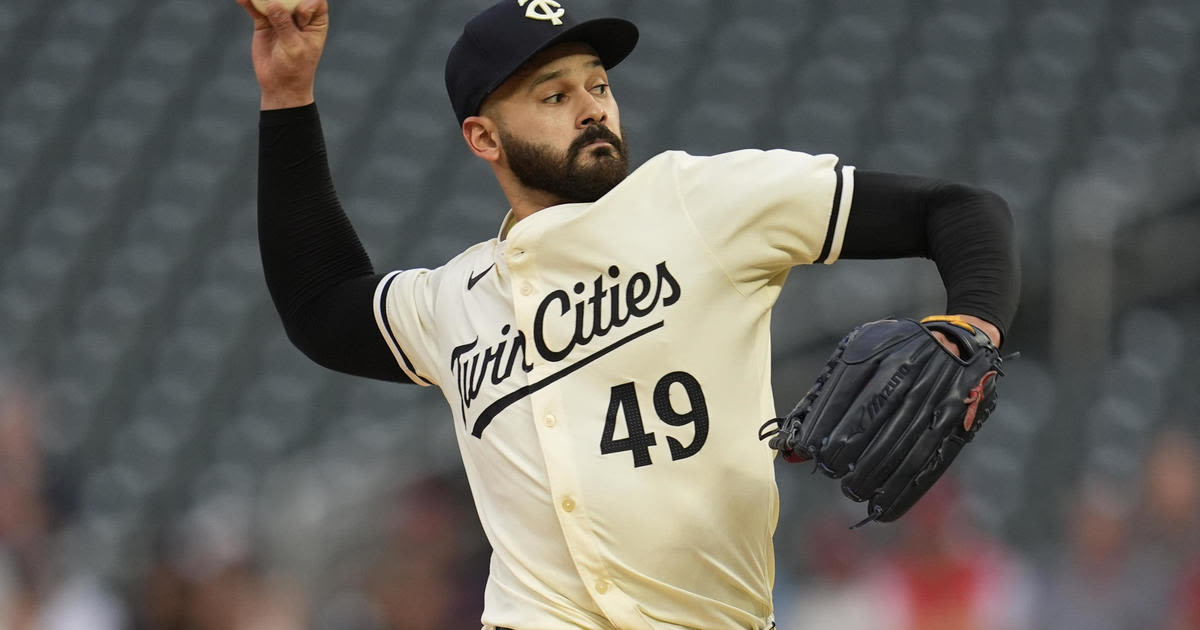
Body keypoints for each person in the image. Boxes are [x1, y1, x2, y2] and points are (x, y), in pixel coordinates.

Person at [236, 0, 1020, 628]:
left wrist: (976, 325)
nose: (590, 108)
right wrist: (287, 94)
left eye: (598, 85)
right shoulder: (454, 298)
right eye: (554, 94)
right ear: (484, 137)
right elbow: (320, 305)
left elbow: (959, 210)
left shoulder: (698, 202)